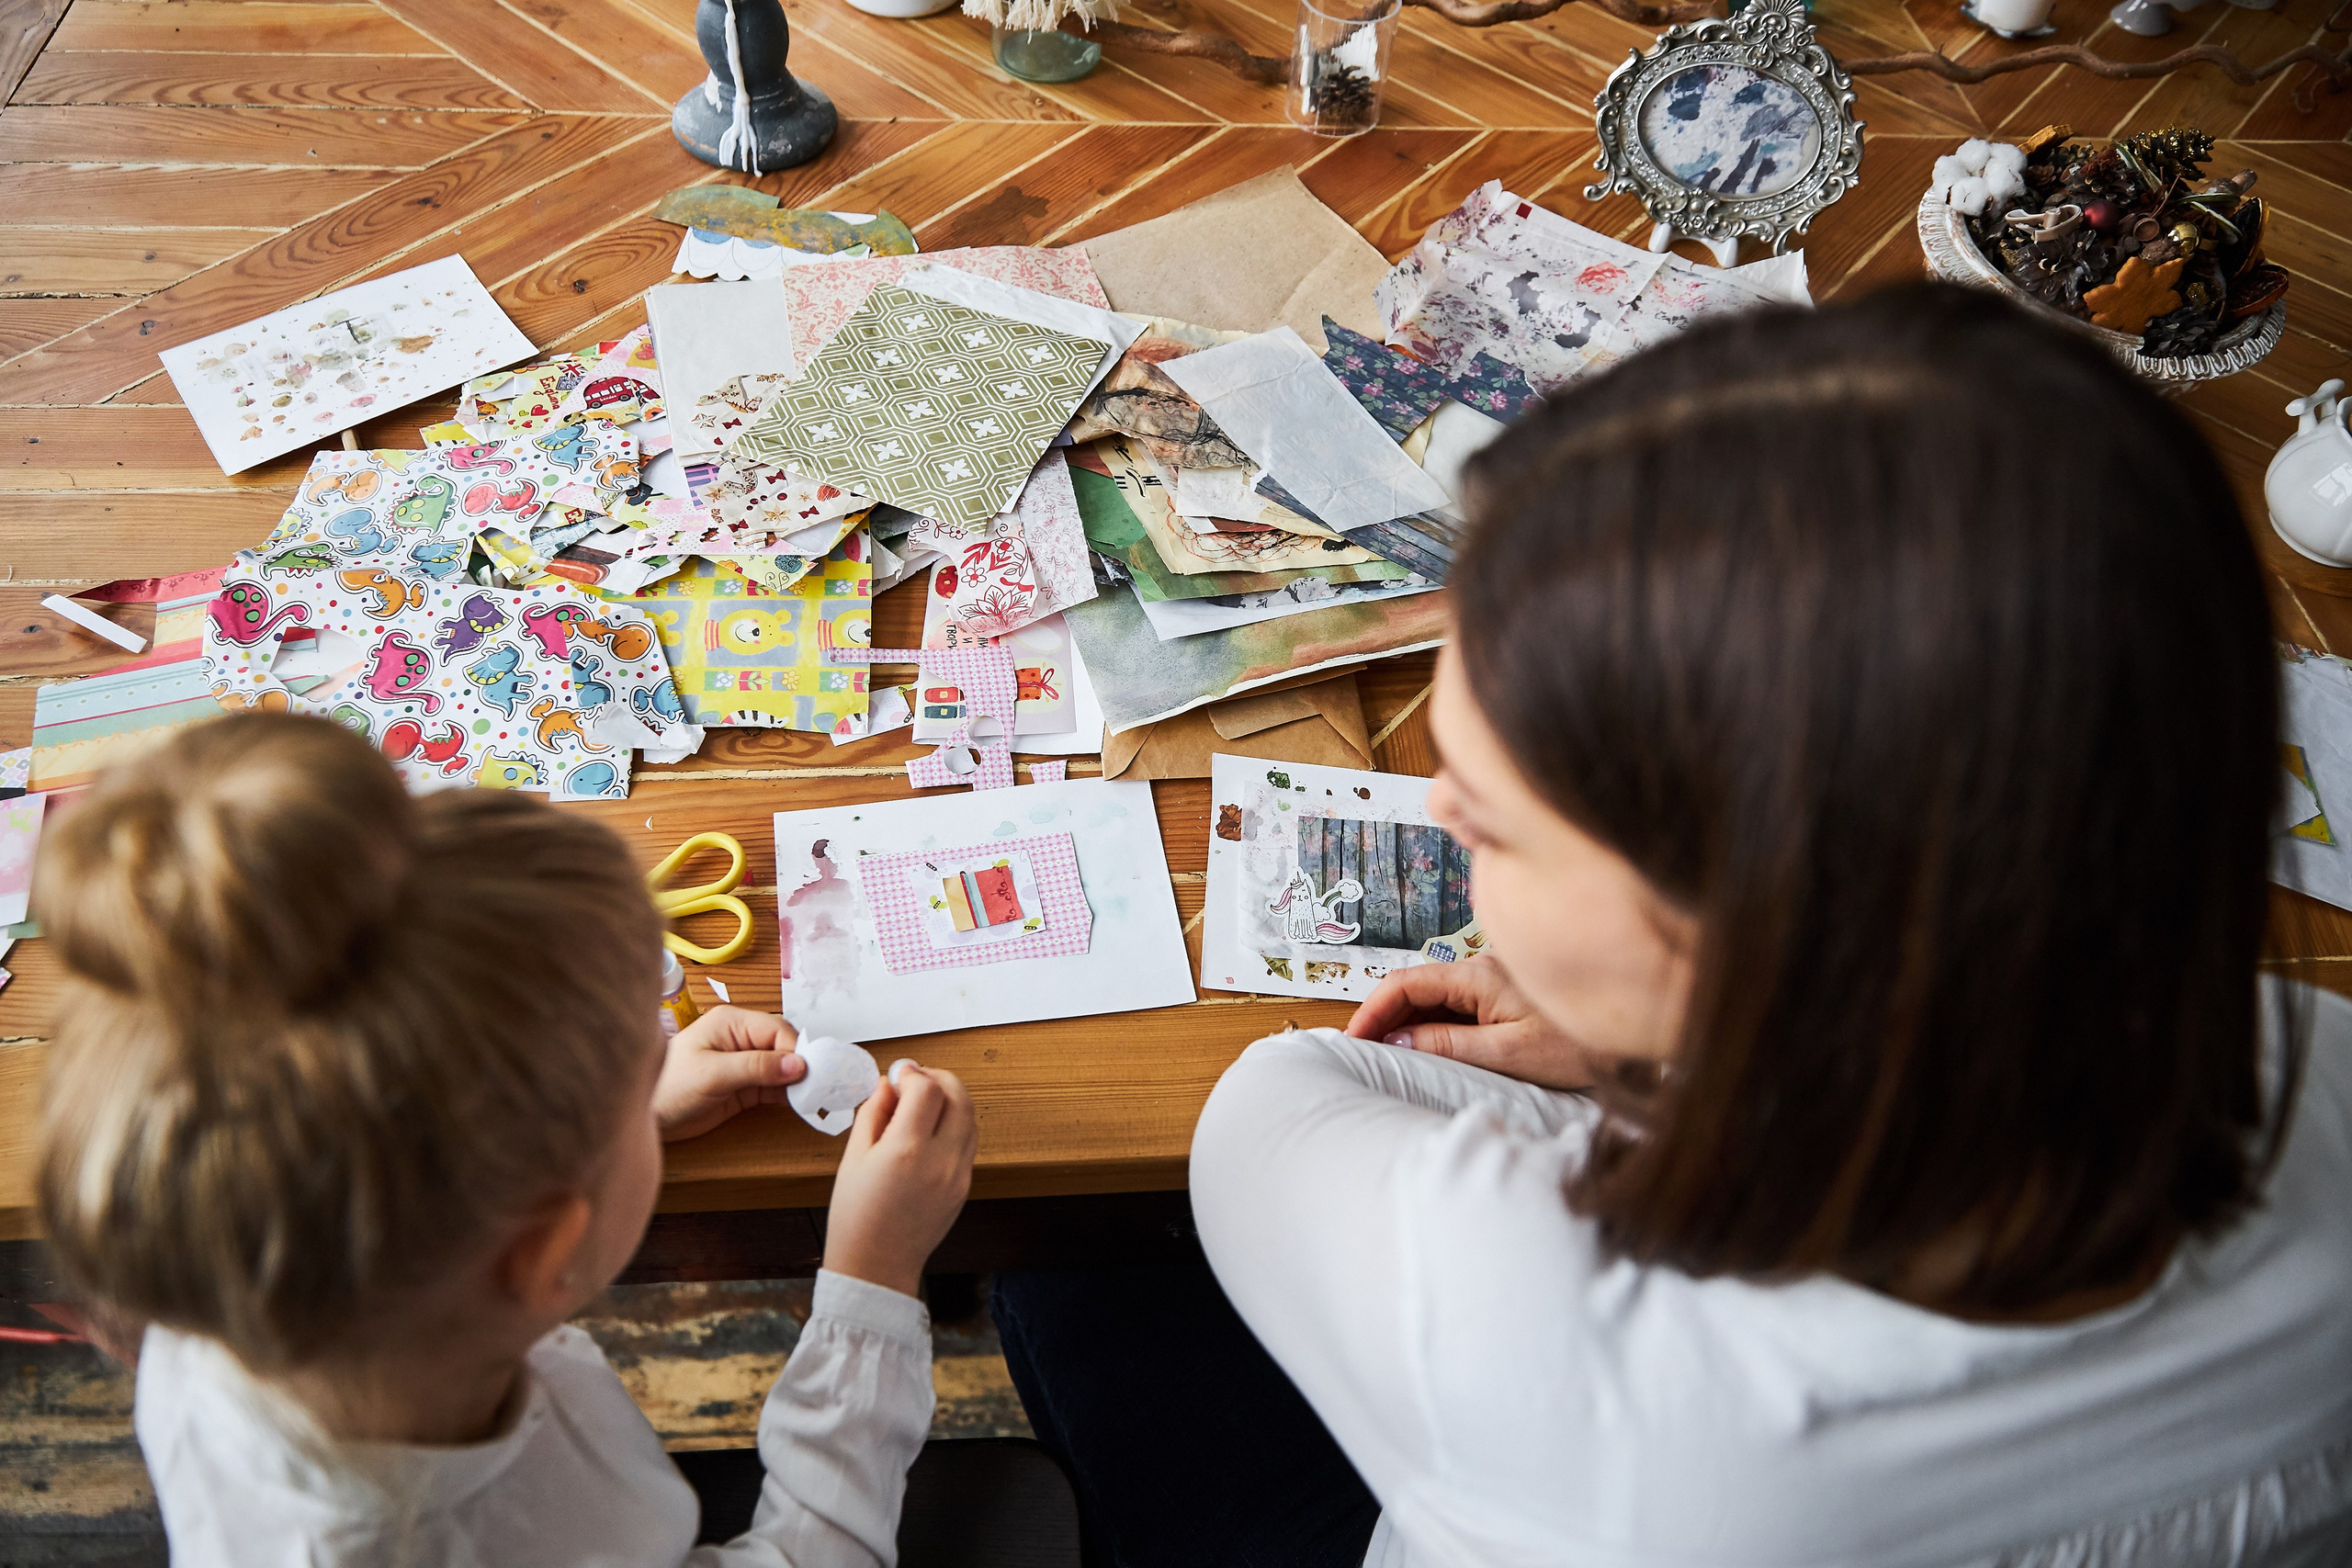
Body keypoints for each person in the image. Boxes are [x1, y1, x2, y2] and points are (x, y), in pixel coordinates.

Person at [998, 283, 2352, 1565]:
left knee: (1060, 1278)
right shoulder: (2319, 1053)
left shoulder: (1563, 1325)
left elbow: (1283, 1092)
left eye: (1497, 814)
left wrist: (1661, 1046)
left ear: (1740, 920)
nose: (1437, 806)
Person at [33, 711, 978, 1566]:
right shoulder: (480, 1543)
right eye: (634, 1066)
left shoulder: (230, 1268)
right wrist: (871, 1281)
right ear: (544, 1248)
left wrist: (611, 1123)